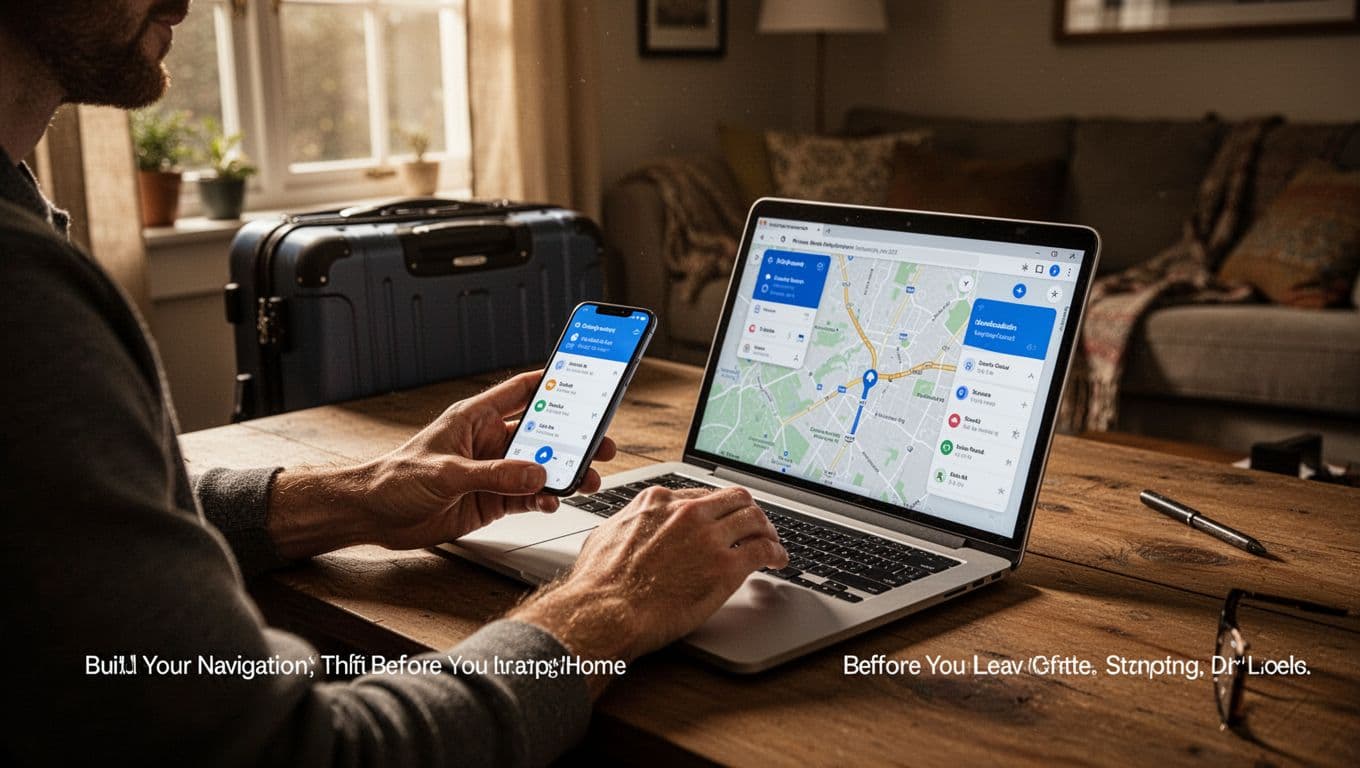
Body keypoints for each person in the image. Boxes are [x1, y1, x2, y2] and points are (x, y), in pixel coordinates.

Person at [0, 1, 787, 764]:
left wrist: (362, 493)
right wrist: (606, 605)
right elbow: (300, 752)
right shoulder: (23, 292)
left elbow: (91, 524)